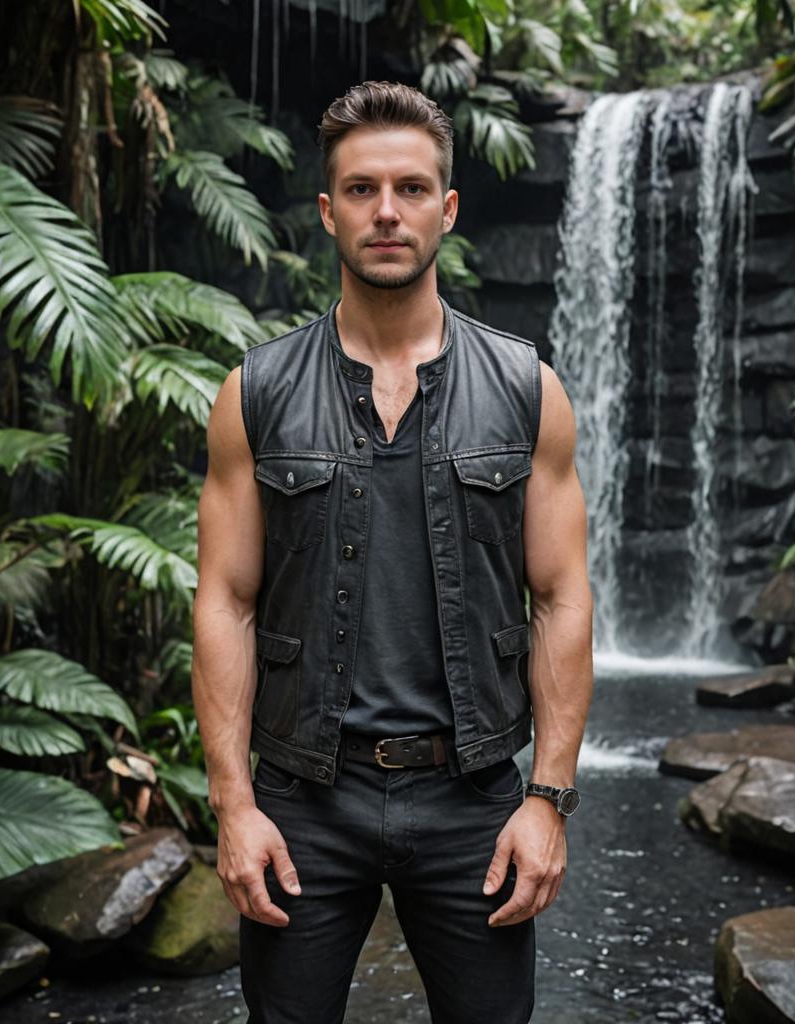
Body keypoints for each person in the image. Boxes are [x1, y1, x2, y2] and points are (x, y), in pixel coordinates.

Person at [192, 79, 593, 1024]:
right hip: (303, 798)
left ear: (446, 209)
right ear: (329, 211)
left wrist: (548, 800)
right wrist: (234, 806)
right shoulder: (254, 391)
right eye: (363, 190)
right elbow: (224, 600)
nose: (387, 212)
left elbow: (564, 595)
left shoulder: (529, 389)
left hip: (475, 799)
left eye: (411, 189)